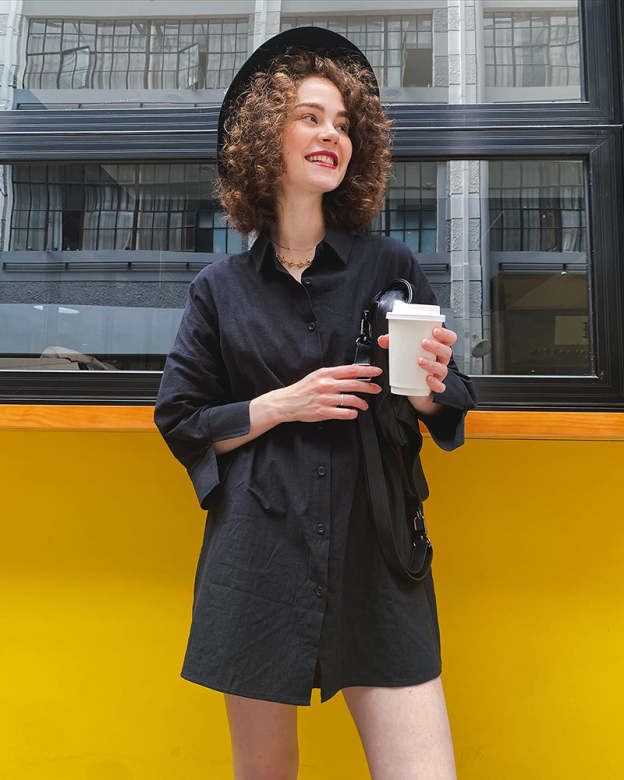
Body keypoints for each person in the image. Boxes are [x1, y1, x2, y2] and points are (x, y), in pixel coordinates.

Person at [154, 26, 477, 780]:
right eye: (310, 116)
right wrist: (279, 405)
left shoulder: (391, 265)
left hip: (378, 548)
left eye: (343, 123)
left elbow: (454, 398)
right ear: (266, 137)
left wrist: (429, 389)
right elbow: (181, 419)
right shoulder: (219, 289)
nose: (332, 133)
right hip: (259, 557)